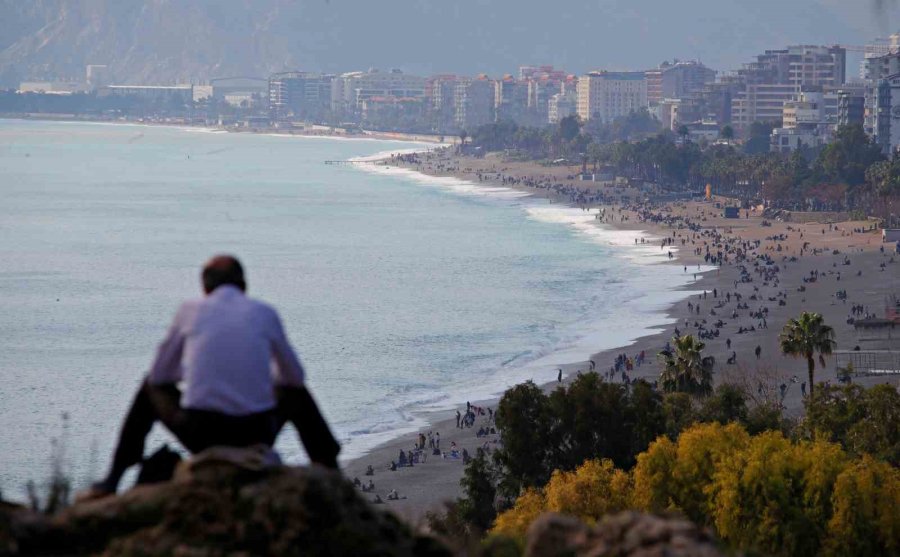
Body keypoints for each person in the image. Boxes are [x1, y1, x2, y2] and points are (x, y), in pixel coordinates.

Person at [82, 255, 340, 499]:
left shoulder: (190, 310)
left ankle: (114, 478)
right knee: (297, 394)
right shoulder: (264, 313)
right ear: (243, 286)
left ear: (204, 288)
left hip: (201, 433)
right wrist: (261, 377)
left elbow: (160, 375)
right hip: (256, 432)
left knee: (149, 388)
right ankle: (330, 469)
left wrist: (189, 372)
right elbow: (295, 377)